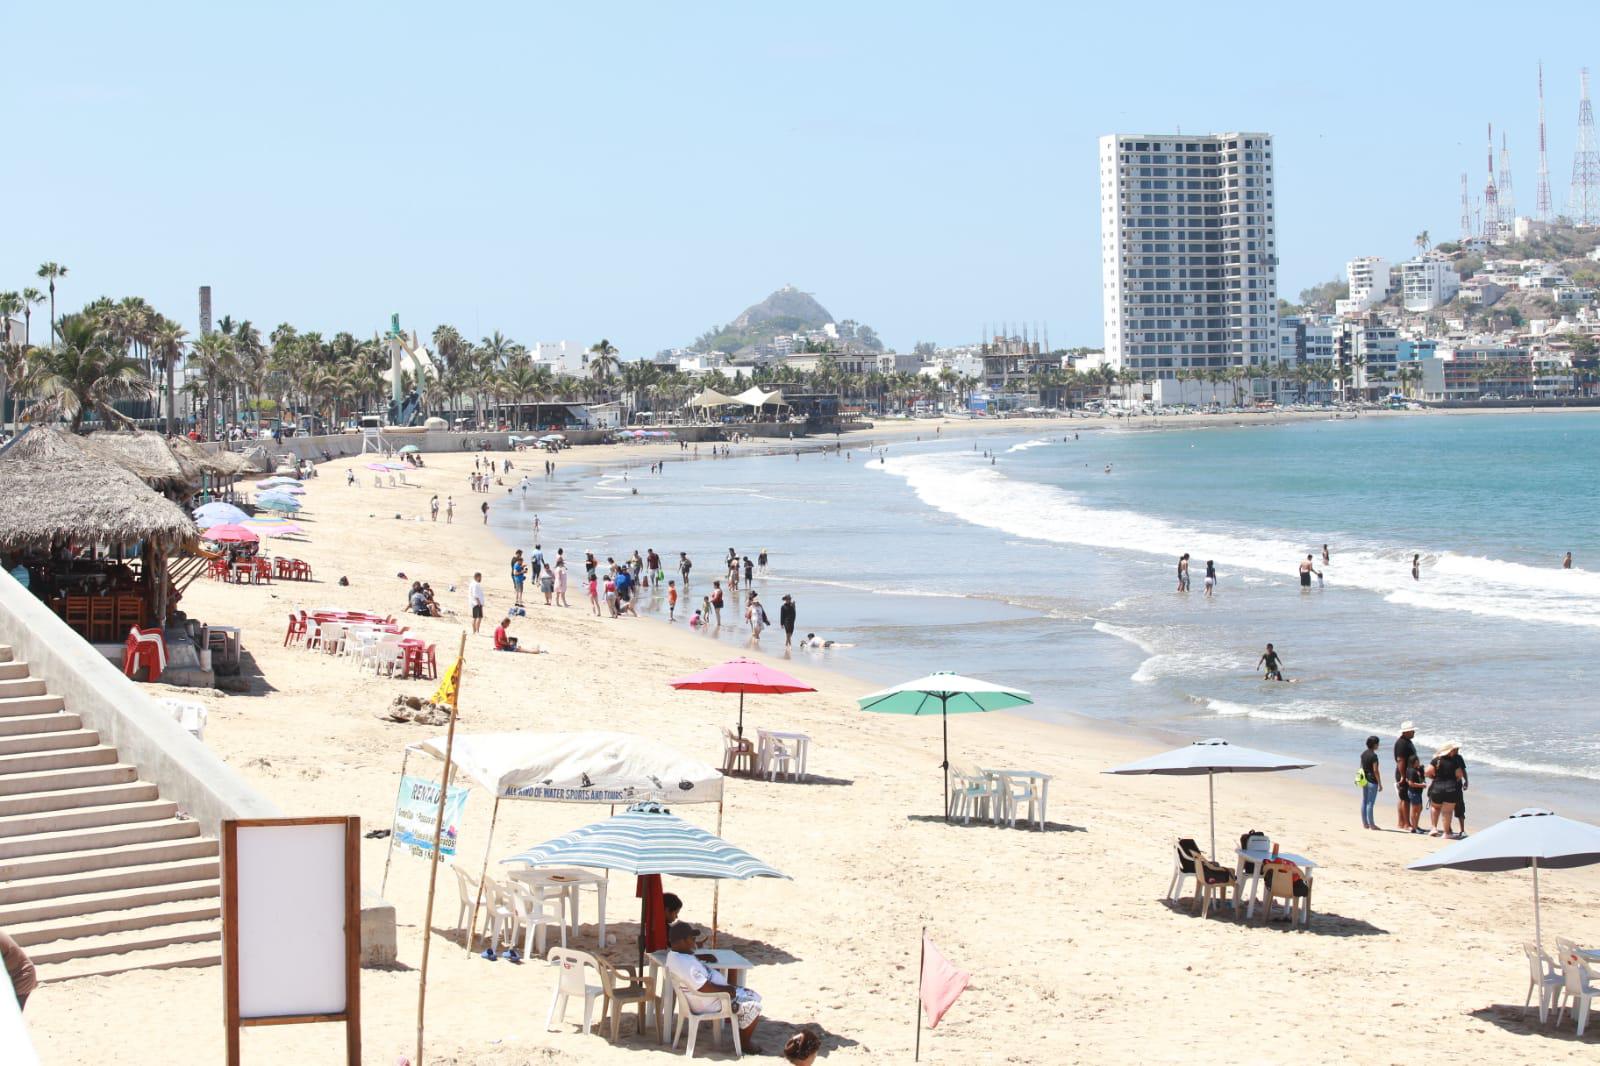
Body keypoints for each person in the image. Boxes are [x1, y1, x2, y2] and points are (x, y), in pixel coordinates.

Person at [663, 922, 762, 1051]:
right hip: (712, 1000)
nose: (694, 942)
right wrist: (726, 989)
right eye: (692, 939)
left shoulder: (674, 956)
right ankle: (745, 1044)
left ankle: (741, 1034)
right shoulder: (685, 964)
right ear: (682, 941)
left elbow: (687, 960)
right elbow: (703, 987)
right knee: (755, 1005)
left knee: (752, 994)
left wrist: (699, 957)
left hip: (704, 998)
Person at [1426, 741, 1466, 838]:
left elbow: (1427, 772)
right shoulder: (1454, 761)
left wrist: (1435, 777)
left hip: (1437, 788)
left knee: (1435, 807)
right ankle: (1446, 833)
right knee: (1447, 812)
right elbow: (1459, 775)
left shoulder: (1436, 760)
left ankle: (1434, 828)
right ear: (1450, 751)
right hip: (1450, 789)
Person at [1393, 722, 1418, 829]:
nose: (1414, 732)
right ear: (1407, 732)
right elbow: (1400, 760)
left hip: (1405, 772)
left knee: (1402, 798)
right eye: (1412, 731)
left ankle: (1401, 822)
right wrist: (1403, 776)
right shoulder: (1402, 743)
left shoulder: (1406, 742)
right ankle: (1406, 823)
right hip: (1403, 773)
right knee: (1405, 798)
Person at [1359, 736, 1382, 830]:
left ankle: (1365, 823)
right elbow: (1375, 770)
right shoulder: (1374, 756)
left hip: (1364, 779)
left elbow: (1360, 767)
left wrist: (1360, 779)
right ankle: (1372, 824)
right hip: (1372, 781)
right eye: (1377, 743)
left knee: (1364, 801)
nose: (1378, 745)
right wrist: (1380, 783)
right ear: (1375, 745)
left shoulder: (1363, 754)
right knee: (1370, 803)